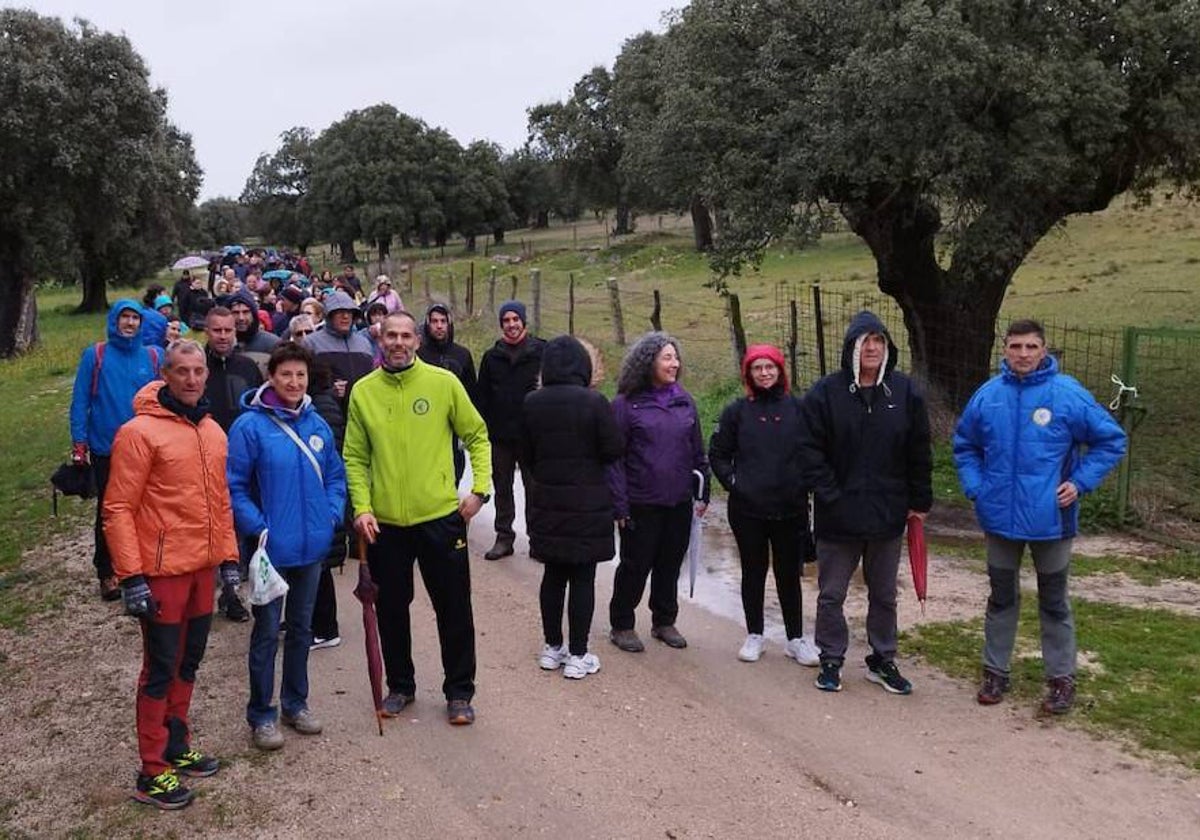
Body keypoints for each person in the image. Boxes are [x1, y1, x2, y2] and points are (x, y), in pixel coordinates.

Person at [953, 319, 1126, 714]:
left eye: (1032, 347)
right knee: (1001, 598)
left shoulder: (1067, 395)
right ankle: (995, 672)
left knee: (1054, 602)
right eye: (1016, 346)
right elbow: (965, 446)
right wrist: (977, 488)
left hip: (1052, 521)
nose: (1024, 354)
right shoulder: (988, 396)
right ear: (1005, 349)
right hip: (999, 519)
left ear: (1044, 349)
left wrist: (1080, 483)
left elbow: (1111, 440)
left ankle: (1061, 680)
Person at [103, 339, 239, 810]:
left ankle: (177, 745)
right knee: (159, 669)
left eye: (198, 371)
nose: (192, 379)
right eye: (182, 371)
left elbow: (220, 503)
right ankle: (151, 770)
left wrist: (229, 561)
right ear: (166, 374)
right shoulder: (138, 432)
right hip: (161, 573)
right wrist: (130, 576)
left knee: (188, 661)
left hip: (202, 569)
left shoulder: (212, 431)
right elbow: (117, 507)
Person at [343, 311, 492, 725]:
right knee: (391, 607)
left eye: (406, 335)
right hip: (387, 523)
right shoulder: (363, 392)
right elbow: (354, 457)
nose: (398, 342)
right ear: (379, 339)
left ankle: (459, 692)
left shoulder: (443, 383)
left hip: (440, 518)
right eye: (390, 335)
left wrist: (481, 489)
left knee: (454, 607)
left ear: (418, 340)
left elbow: (477, 435)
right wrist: (362, 507)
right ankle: (401, 686)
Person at [798, 311, 932, 695]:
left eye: (878, 340)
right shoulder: (826, 393)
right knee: (832, 593)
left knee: (884, 593)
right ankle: (831, 658)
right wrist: (830, 494)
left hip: (887, 514)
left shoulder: (905, 393)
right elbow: (809, 452)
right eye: (864, 341)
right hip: (838, 516)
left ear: (887, 347)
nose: (872, 348)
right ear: (851, 348)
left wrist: (919, 500)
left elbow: (918, 450)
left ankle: (882, 658)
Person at [227, 343, 347, 750]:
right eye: (286, 375)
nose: (294, 383)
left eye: (301, 375)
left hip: (311, 549)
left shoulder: (316, 424)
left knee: (301, 630)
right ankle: (262, 714)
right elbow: (235, 486)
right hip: (271, 552)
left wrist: (330, 515)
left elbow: (335, 476)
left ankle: (296, 703)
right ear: (271, 378)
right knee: (265, 633)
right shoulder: (249, 427)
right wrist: (257, 528)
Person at [709, 344, 820, 666]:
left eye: (769, 367)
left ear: (780, 370)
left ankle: (795, 638)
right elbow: (718, 454)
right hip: (748, 511)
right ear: (748, 374)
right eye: (757, 368)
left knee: (789, 573)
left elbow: (813, 451)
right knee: (753, 571)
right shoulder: (736, 412)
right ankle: (754, 634)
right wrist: (735, 483)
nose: (764, 373)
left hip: (790, 509)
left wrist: (806, 483)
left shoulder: (798, 410)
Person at [520, 336, 622, 679]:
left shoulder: (532, 402)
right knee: (582, 578)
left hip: (547, 500)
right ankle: (579, 654)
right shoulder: (595, 402)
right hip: (588, 503)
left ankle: (552, 648)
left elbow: (527, 454)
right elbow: (612, 450)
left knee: (552, 574)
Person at [607, 332, 710, 653]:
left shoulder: (685, 400)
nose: (674, 363)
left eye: (675, 357)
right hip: (640, 502)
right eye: (667, 357)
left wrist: (703, 490)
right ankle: (622, 624)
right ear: (647, 362)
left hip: (678, 500)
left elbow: (697, 449)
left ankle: (664, 620)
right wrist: (619, 506)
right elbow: (613, 460)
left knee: (670, 564)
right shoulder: (625, 405)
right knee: (635, 565)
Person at [69, 299, 161, 601]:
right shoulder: (95, 356)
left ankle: (140, 564)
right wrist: (79, 444)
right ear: (114, 321)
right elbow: (80, 401)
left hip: (146, 447)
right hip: (107, 447)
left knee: (147, 508)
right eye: (125, 317)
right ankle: (107, 571)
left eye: (135, 318)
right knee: (110, 511)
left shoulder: (152, 356)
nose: (130, 323)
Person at [302, 289, 376, 648]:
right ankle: (344, 538)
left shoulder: (364, 344)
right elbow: (310, 380)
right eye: (338, 312)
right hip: (330, 420)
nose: (344, 317)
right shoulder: (314, 342)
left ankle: (360, 540)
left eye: (349, 312)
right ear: (329, 314)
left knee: (361, 484)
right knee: (338, 483)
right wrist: (331, 389)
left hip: (361, 421)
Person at [202, 305, 263, 623]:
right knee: (216, 528)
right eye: (217, 330)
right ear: (207, 331)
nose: (223, 335)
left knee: (243, 526)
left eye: (228, 330)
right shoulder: (196, 367)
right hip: (205, 460)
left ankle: (238, 590)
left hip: (245, 460)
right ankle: (218, 591)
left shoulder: (248, 367)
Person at [475, 300, 546, 560]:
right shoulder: (491, 357)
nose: (511, 325)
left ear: (524, 322)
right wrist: (484, 430)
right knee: (502, 488)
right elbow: (481, 397)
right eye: (506, 320)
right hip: (500, 436)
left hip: (533, 436)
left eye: (516, 319)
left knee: (535, 490)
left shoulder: (542, 352)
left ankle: (537, 540)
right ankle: (504, 537)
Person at [417, 303, 479, 483]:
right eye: (434, 321)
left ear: (449, 324)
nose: (439, 325)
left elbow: (471, 393)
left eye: (443, 321)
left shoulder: (462, 355)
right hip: (425, 422)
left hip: (454, 425)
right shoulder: (418, 354)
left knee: (455, 468)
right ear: (427, 324)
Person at [228, 289, 280, 377]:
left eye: (246, 312)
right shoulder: (222, 344)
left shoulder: (272, 344)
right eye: (236, 313)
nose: (241, 318)